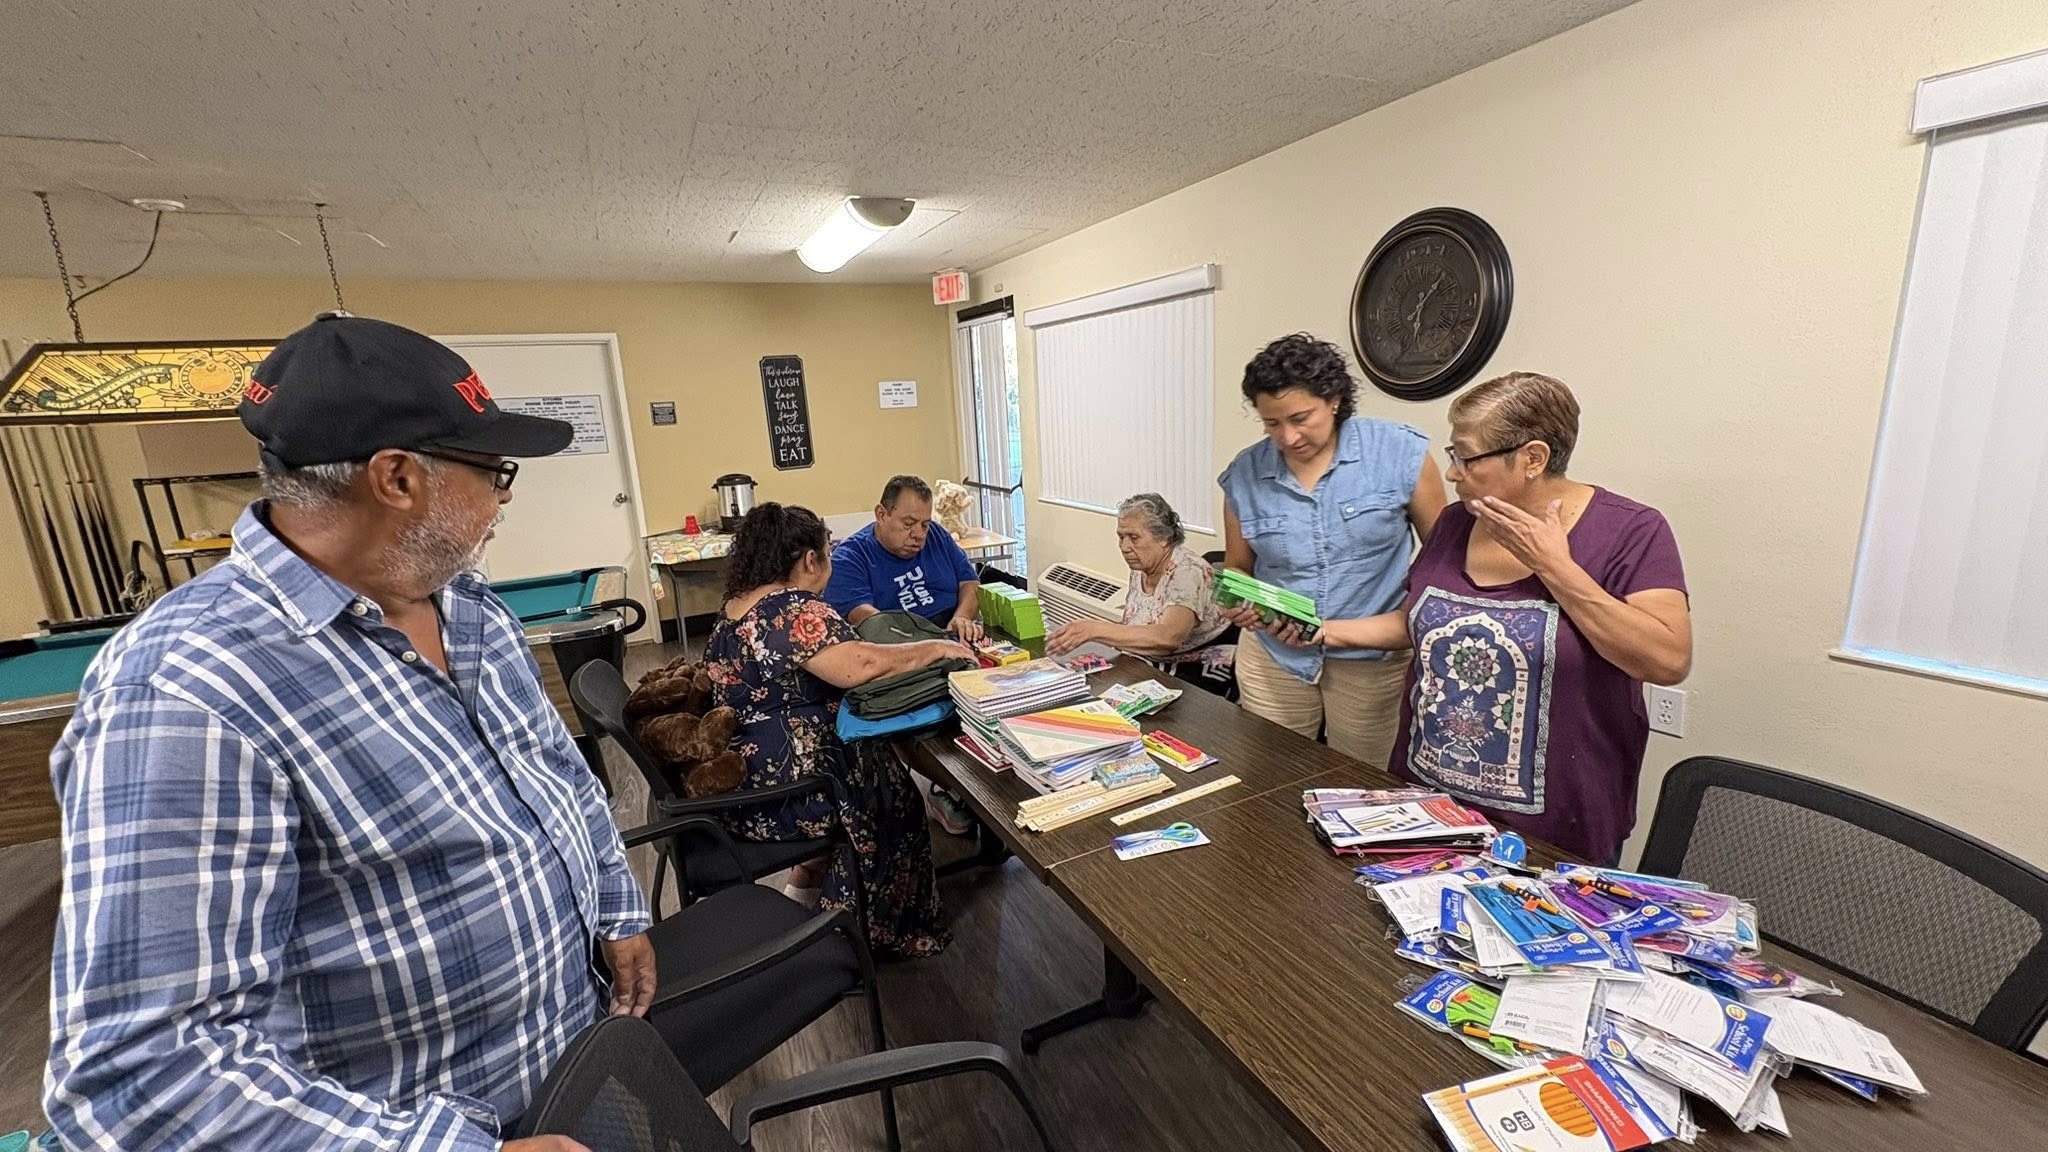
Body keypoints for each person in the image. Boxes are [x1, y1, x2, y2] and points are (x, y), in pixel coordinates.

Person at [46, 314, 646, 1152]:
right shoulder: (186, 691)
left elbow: (557, 777)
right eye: (494, 472)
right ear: (398, 478)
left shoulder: (470, 607)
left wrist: (615, 908)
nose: (505, 497)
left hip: (580, 1053)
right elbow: (142, 1079)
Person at [1247, 372, 1692, 866]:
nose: (1452, 473)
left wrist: (1555, 567)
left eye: (1465, 457)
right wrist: (1323, 632)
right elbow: (1417, 623)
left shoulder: (1630, 530)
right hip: (1427, 809)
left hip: (1556, 828)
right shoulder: (1458, 522)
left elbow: (1667, 660)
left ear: (1533, 458)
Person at [703, 501, 974, 957]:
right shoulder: (791, 610)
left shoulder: (737, 605)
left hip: (747, 776)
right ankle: (870, 936)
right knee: (892, 794)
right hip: (789, 790)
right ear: (811, 560)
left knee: (880, 765)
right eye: (828, 554)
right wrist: (935, 648)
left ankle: (804, 906)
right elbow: (860, 665)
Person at [1217, 333, 1446, 764]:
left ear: (1335, 400)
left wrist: (1406, 626)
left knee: (1365, 779)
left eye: (1301, 418)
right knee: (1269, 773)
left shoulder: (1400, 453)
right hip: (1274, 658)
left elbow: (1443, 563)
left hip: (1372, 662)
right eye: (1271, 424)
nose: (1288, 437)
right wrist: (1243, 603)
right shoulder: (1245, 473)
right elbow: (1238, 567)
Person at [1045, 493, 1233, 691]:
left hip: (1196, 673)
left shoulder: (1187, 571)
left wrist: (1093, 630)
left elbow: (1168, 637)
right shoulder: (1141, 567)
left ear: (1163, 538)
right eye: (1121, 537)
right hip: (1149, 663)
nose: (1125, 547)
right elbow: (1135, 624)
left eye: (1134, 537)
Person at [825, 474, 985, 643]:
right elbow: (870, 622)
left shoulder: (936, 534)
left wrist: (962, 619)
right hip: (902, 644)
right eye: (908, 524)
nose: (919, 534)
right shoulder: (848, 559)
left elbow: (970, 582)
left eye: (924, 524)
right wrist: (933, 645)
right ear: (881, 515)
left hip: (954, 632)